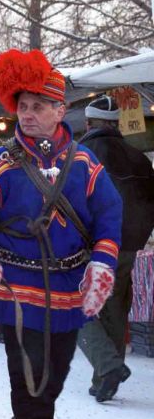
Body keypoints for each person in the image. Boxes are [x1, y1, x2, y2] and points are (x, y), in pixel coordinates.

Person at [0, 49, 122, 419]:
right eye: (22, 108)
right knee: (26, 364)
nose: (27, 116)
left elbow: (110, 217)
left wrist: (103, 264)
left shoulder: (87, 165)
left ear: (59, 110)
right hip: (14, 285)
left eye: (37, 108)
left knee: (58, 366)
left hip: (68, 286)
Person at [76, 95, 154, 402]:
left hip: (90, 244)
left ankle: (108, 367)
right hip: (128, 246)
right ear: (116, 123)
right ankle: (105, 379)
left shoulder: (81, 155)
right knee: (115, 305)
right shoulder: (138, 156)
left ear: (88, 123)